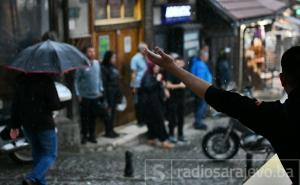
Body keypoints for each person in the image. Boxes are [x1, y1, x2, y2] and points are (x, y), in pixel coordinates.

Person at [144, 46, 300, 184]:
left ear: (282, 80)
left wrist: (172, 67)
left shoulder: (278, 117)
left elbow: (219, 98)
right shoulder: (278, 115)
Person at [10, 74, 63, 185]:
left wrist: (14, 125)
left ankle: (41, 182)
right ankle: (32, 178)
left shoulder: (21, 81)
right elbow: (55, 104)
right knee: (50, 154)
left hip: (28, 124)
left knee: (38, 153)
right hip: (44, 123)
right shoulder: (46, 80)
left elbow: (15, 105)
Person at [74, 45, 104, 144]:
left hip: (95, 95)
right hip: (85, 96)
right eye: (90, 52)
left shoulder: (97, 64)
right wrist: (78, 94)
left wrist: (100, 89)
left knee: (93, 117)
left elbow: (99, 78)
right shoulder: (81, 65)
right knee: (84, 117)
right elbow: (76, 80)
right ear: (86, 53)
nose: (92, 53)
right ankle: (84, 136)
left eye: (93, 51)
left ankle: (92, 135)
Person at [140, 62, 174, 149]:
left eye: (157, 67)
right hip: (151, 103)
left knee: (152, 121)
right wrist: (157, 81)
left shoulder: (154, 75)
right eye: (155, 67)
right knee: (159, 121)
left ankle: (152, 138)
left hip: (155, 102)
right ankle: (164, 141)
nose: (157, 68)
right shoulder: (147, 75)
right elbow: (148, 87)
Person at [165, 57, 187, 143]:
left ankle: (180, 135)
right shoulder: (171, 72)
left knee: (181, 118)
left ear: (183, 64)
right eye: (177, 63)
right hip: (173, 99)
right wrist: (179, 86)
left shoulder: (184, 73)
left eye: (180, 63)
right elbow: (168, 85)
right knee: (172, 118)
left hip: (182, 99)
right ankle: (171, 135)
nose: (178, 65)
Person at [190, 49, 213, 130]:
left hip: (201, 88)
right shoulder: (200, 65)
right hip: (202, 89)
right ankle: (198, 123)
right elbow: (200, 78)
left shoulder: (198, 63)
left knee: (200, 105)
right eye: (206, 56)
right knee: (201, 106)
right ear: (202, 56)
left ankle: (198, 121)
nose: (207, 58)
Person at [101, 50, 122, 138]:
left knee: (113, 112)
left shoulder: (113, 67)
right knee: (108, 112)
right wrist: (105, 96)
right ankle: (108, 131)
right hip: (109, 93)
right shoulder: (104, 68)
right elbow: (104, 83)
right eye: (113, 57)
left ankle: (111, 129)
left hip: (115, 92)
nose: (114, 59)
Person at [130, 42, 148, 126]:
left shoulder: (146, 58)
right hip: (138, 84)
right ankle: (140, 121)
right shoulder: (135, 58)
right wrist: (134, 86)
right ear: (141, 49)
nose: (147, 51)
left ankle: (145, 119)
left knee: (145, 102)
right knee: (139, 103)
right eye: (146, 49)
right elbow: (134, 73)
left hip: (146, 84)